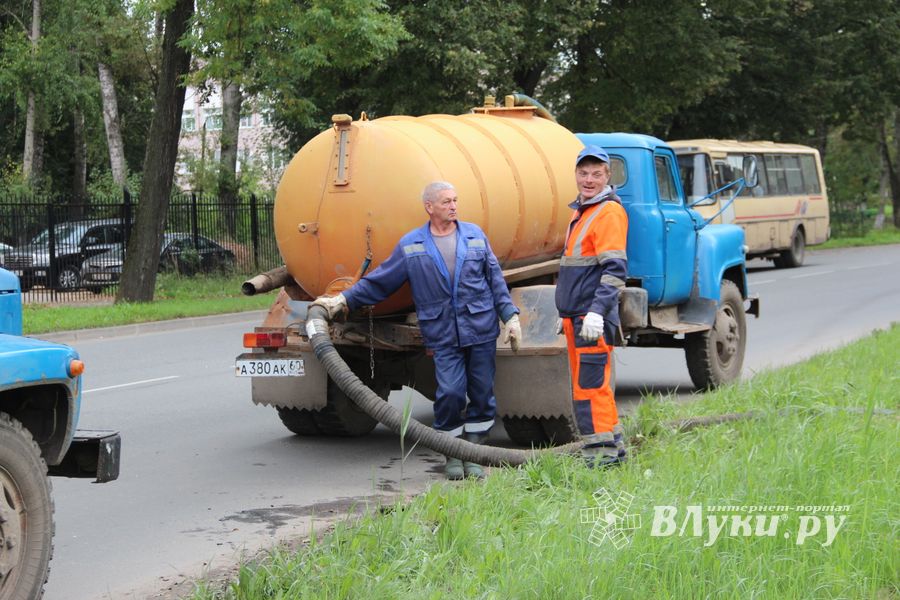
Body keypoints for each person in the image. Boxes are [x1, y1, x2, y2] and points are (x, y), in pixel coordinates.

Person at [311, 181, 521, 480]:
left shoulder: (475, 236)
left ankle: (475, 452)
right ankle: (452, 452)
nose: (453, 206)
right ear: (429, 207)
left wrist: (510, 316)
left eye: (455, 200)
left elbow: (495, 281)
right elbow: (381, 281)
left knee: (482, 393)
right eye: (446, 201)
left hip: (480, 329)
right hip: (443, 333)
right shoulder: (412, 244)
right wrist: (344, 299)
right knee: (448, 393)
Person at [556, 145, 629, 467]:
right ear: (575, 175)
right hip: (579, 316)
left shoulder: (607, 212)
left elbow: (615, 271)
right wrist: (567, 312)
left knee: (589, 389)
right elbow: (577, 268)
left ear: (607, 176)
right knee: (594, 386)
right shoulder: (582, 210)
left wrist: (597, 312)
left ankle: (600, 460)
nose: (589, 179)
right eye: (583, 173)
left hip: (590, 317)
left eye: (596, 174)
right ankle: (615, 450)